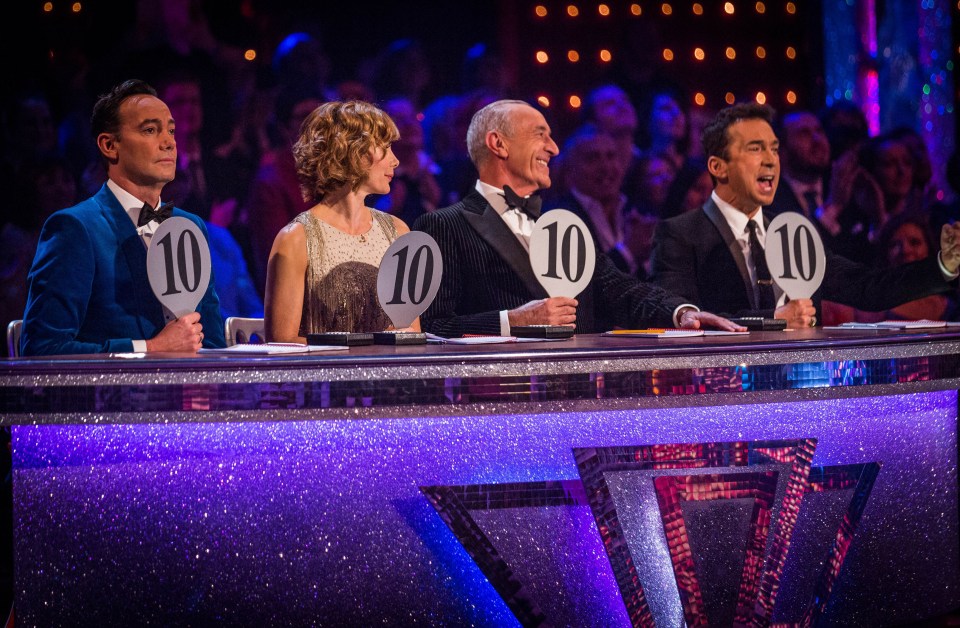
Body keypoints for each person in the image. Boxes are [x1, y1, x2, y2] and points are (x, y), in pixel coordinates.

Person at [411, 99, 741, 338]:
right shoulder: (443, 225)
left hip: (578, 395)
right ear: (498, 144)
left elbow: (618, 287)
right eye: (540, 135)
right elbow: (433, 327)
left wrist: (682, 312)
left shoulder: (560, 222)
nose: (554, 148)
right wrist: (512, 321)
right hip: (502, 403)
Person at [648, 103, 960, 329]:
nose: (769, 161)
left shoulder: (788, 232)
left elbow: (868, 288)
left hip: (806, 400)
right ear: (719, 167)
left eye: (773, 150)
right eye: (755, 150)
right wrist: (772, 320)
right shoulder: (680, 234)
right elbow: (683, 322)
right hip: (727, 402)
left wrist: (942, 267)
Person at [20, 79, 225, 356]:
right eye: (150, 130)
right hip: (111, 398)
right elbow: (42, 349)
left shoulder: (190, 226)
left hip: (185, 396)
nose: (169, 143)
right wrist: (150, 348)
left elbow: (211, 343)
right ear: (109, 145)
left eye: (171, 131)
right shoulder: (75, 228)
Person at [263, 101, 418, 343]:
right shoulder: (296, 239)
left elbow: (410, 334)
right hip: (322, 378)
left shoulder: (397, 232)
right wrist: (361, 349)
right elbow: (282, 343)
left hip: (388, 378)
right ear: (352, 150)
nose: (395, 160)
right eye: (385, 147)